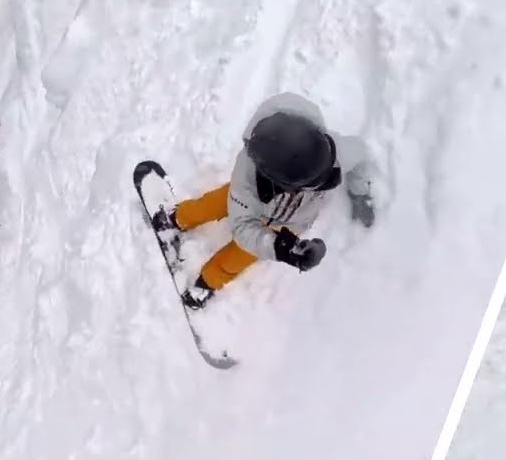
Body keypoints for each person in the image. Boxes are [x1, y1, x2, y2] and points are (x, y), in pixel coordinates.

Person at [152, 91, 378, 309]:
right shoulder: (247, 175)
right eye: (310, 185)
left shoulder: (335, 156)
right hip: (250, 203)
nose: (326, 181)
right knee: (213, 205)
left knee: (238, 259)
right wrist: (281, 249)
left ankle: (207, 282)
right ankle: (178, 218)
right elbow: (242, 228)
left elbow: (362, 154)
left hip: (286, 224)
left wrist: (359, 192)